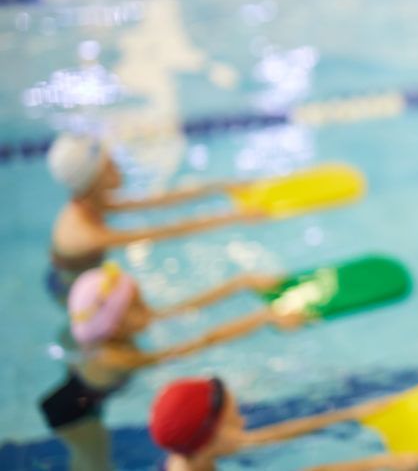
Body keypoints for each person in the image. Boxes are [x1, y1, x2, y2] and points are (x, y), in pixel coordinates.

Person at [40, 261, 303, 471]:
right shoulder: (117, 357)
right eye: (138, 305)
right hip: (73, 412)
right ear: (115, 324)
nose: (148, 310)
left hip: (85, 394)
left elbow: (180, 309)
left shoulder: (116, 330)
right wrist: (261, 319)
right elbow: (197, 344)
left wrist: (238, 284)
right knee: (94, 464)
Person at [46, 133, 260, 301]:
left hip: (86, 273)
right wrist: (234, 217)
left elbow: (157, 201)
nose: (118, 167)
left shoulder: (91, 200)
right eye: (110, 165)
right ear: (93, 179)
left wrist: (220, 187)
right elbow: (165, 233)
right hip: (73, 289)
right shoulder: (86, 233)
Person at [149, 377, 418, 471]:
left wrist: (352, 414)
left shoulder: (186, 450)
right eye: (236, 419)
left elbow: (265, 437)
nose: (245, 422)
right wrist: (381, 464)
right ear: (212, 439)